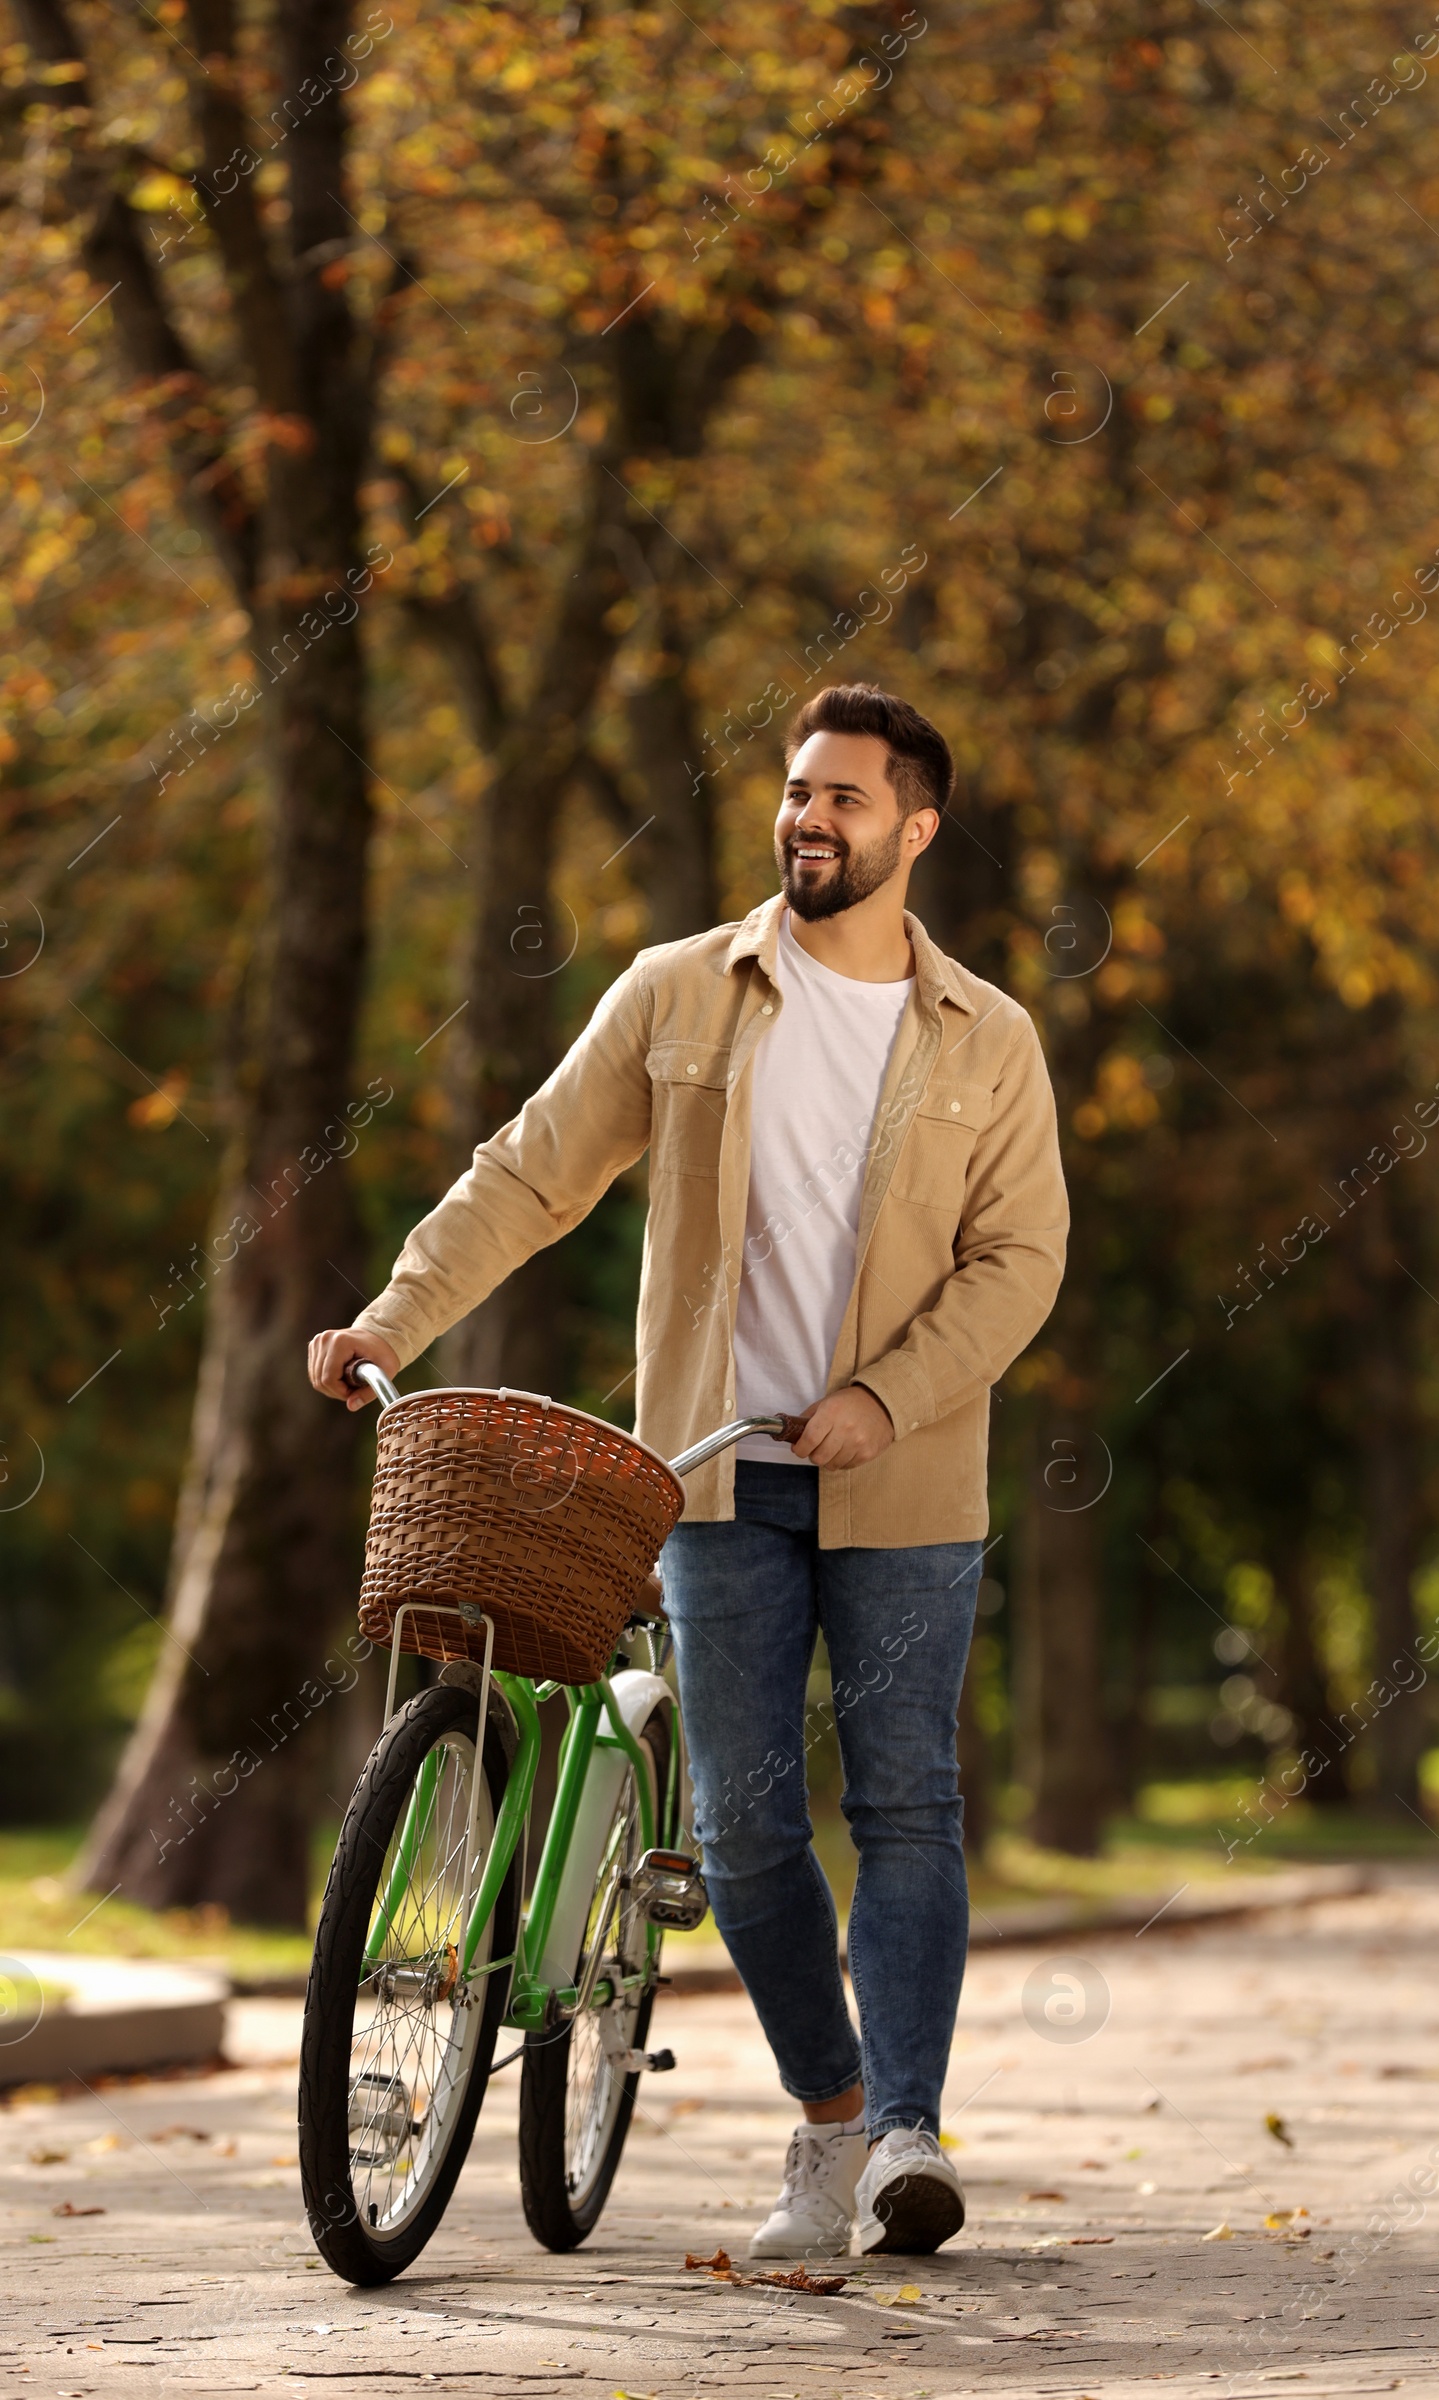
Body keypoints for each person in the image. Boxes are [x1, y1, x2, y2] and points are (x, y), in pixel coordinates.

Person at [308, 682, 1070, 2257]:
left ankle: (910, 2140)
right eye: (800, 792)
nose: (811, 818)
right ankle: (833, 2120)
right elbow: (532, 1169)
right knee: (737, 1830)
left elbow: (1021, 1262)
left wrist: (884, 1393)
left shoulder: (988, 1039)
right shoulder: (681, 995)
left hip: (906, 1483)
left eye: (848, 798)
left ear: (916, 828)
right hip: (712, 1478)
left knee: (911, 1804)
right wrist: (394, 1308)